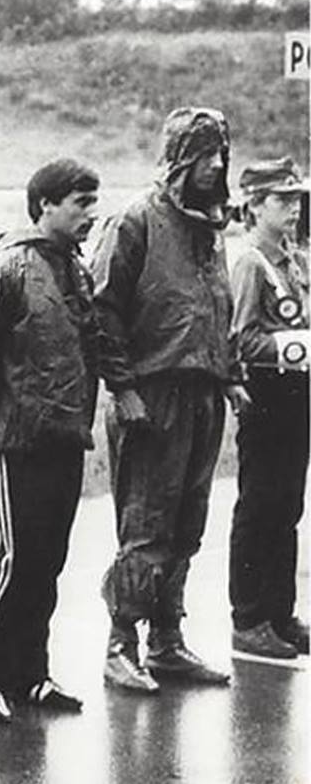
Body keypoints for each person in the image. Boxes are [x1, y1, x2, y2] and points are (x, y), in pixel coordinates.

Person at [92, 107, 247, 692]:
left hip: (203, 394)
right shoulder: (136, 220)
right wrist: (123, 386)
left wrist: (230, 376)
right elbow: (103, 309)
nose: (215, 166)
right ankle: (120, 644)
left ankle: (167, 640)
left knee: (187, 523)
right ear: (179, 157)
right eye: (204, 154)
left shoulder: (210, 228)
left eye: (221, 154)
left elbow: (216, 308)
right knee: (147, 524)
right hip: (152, 394)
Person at [0, 159, 103, 724]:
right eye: (80, 202)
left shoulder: (75, 269)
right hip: (16, 439)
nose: (91, 213)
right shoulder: (7, 270)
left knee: (49, 560)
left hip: (66, 435)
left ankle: (30, 673)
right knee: (20, 558)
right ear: (44, 205)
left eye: (94, 201)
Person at [226, 157, 309, 659]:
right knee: (259, 503)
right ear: (255, 206)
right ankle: (250, 616)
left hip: (298, 394)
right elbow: (240, 338)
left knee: (287, 504)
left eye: (297, 199)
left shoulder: (293, 260)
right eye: (282, 200)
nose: (294, 208)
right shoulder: (250, 264)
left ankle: (280, 612)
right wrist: (299, 345)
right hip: (265, 394)